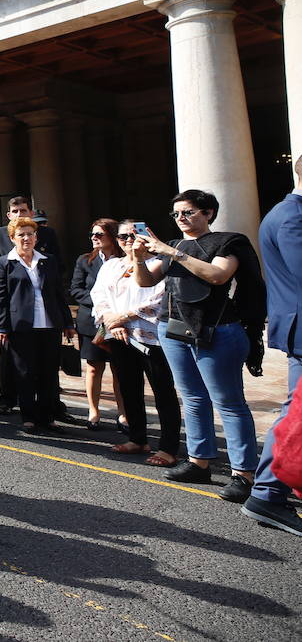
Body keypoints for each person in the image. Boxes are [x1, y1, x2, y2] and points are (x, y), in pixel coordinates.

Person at [132, 189, 266, 502]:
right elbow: (144, 281)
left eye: (188, 212)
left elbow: (218, 275)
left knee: (229, 403)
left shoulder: (227, 241)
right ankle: (198, 461)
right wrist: (138, 259)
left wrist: (169, 251)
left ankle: (244, 474)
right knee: (192, 397)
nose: (181, 218)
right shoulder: (176, 245)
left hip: (217, 329)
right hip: (174, 327)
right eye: (176, 214)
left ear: (207, 213)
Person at [91, 219, 180, 467]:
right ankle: (138, 438)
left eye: (133, 236)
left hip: (150, 337)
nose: (128, 241)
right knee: (129, 387)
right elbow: (98, 295)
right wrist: (112, 320)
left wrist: (125, 317)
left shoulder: (158, 264)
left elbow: (158, 298)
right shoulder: (111, 266)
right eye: (122, 237)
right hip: (119, 335)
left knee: (163, 390)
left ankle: (169, 447)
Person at [244, 161, 302, 535]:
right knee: (296, 414)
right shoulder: (292, 217)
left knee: (295, 411)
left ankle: (269, 490)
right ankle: (268, 492)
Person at [0, 216, 76, 433]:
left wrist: (67, 322)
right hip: (21, 325)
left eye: (30, 234)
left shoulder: (48, 260)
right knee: (25, 372)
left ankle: (47, 417)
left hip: (49, 324)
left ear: (36, 237)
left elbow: (59, 293)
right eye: (21, 235)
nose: (26, 238)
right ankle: (28, 416)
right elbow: (0, 298)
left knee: (49, 373)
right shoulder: (4, 263)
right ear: (12, 238)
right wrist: (1, 326)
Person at [0, 196, 62, 415]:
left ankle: (49, 408)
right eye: (15, 211)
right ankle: (9, 399)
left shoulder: (47, 235)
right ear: (9, 215)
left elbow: (57, 270)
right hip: (16, 308)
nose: (20, 214)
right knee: (15, 362)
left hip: (45, 314)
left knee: (47, 366)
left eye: (23, 210)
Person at [69, 219, 126, 429]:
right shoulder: (85, 260)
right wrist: (102, 303)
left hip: (120, 323)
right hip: (92, 322)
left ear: (112, 236)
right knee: (94, 368)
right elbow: (75, 289)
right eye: (92, 234)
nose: (94, 238)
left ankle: (123, 413)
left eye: (99, 234)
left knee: (121, 370)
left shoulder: (126, 260)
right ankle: (93, 411)